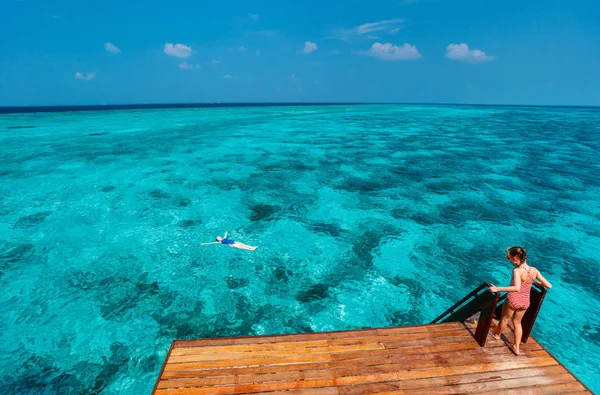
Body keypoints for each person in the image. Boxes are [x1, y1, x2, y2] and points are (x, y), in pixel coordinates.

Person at [489, 246, 552, 355]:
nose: (508, 260)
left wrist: (497, 288)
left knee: (505, 319)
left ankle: (497, 335)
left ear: (516, 258)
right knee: (517, 323)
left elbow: (516, 288)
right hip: (525, 301)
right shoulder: (534, 270)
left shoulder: (517, 271)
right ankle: (516, 347)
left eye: (508, 257)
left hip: (513, 299)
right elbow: (548, 286)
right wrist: (535, 283)